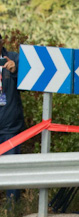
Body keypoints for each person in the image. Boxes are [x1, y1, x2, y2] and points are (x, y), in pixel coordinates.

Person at [0, 32, 25, 202]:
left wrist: (16, 71)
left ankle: (12, 208)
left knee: (12, 169)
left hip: (10, 125)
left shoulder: (14, 59)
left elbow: (30, 83)